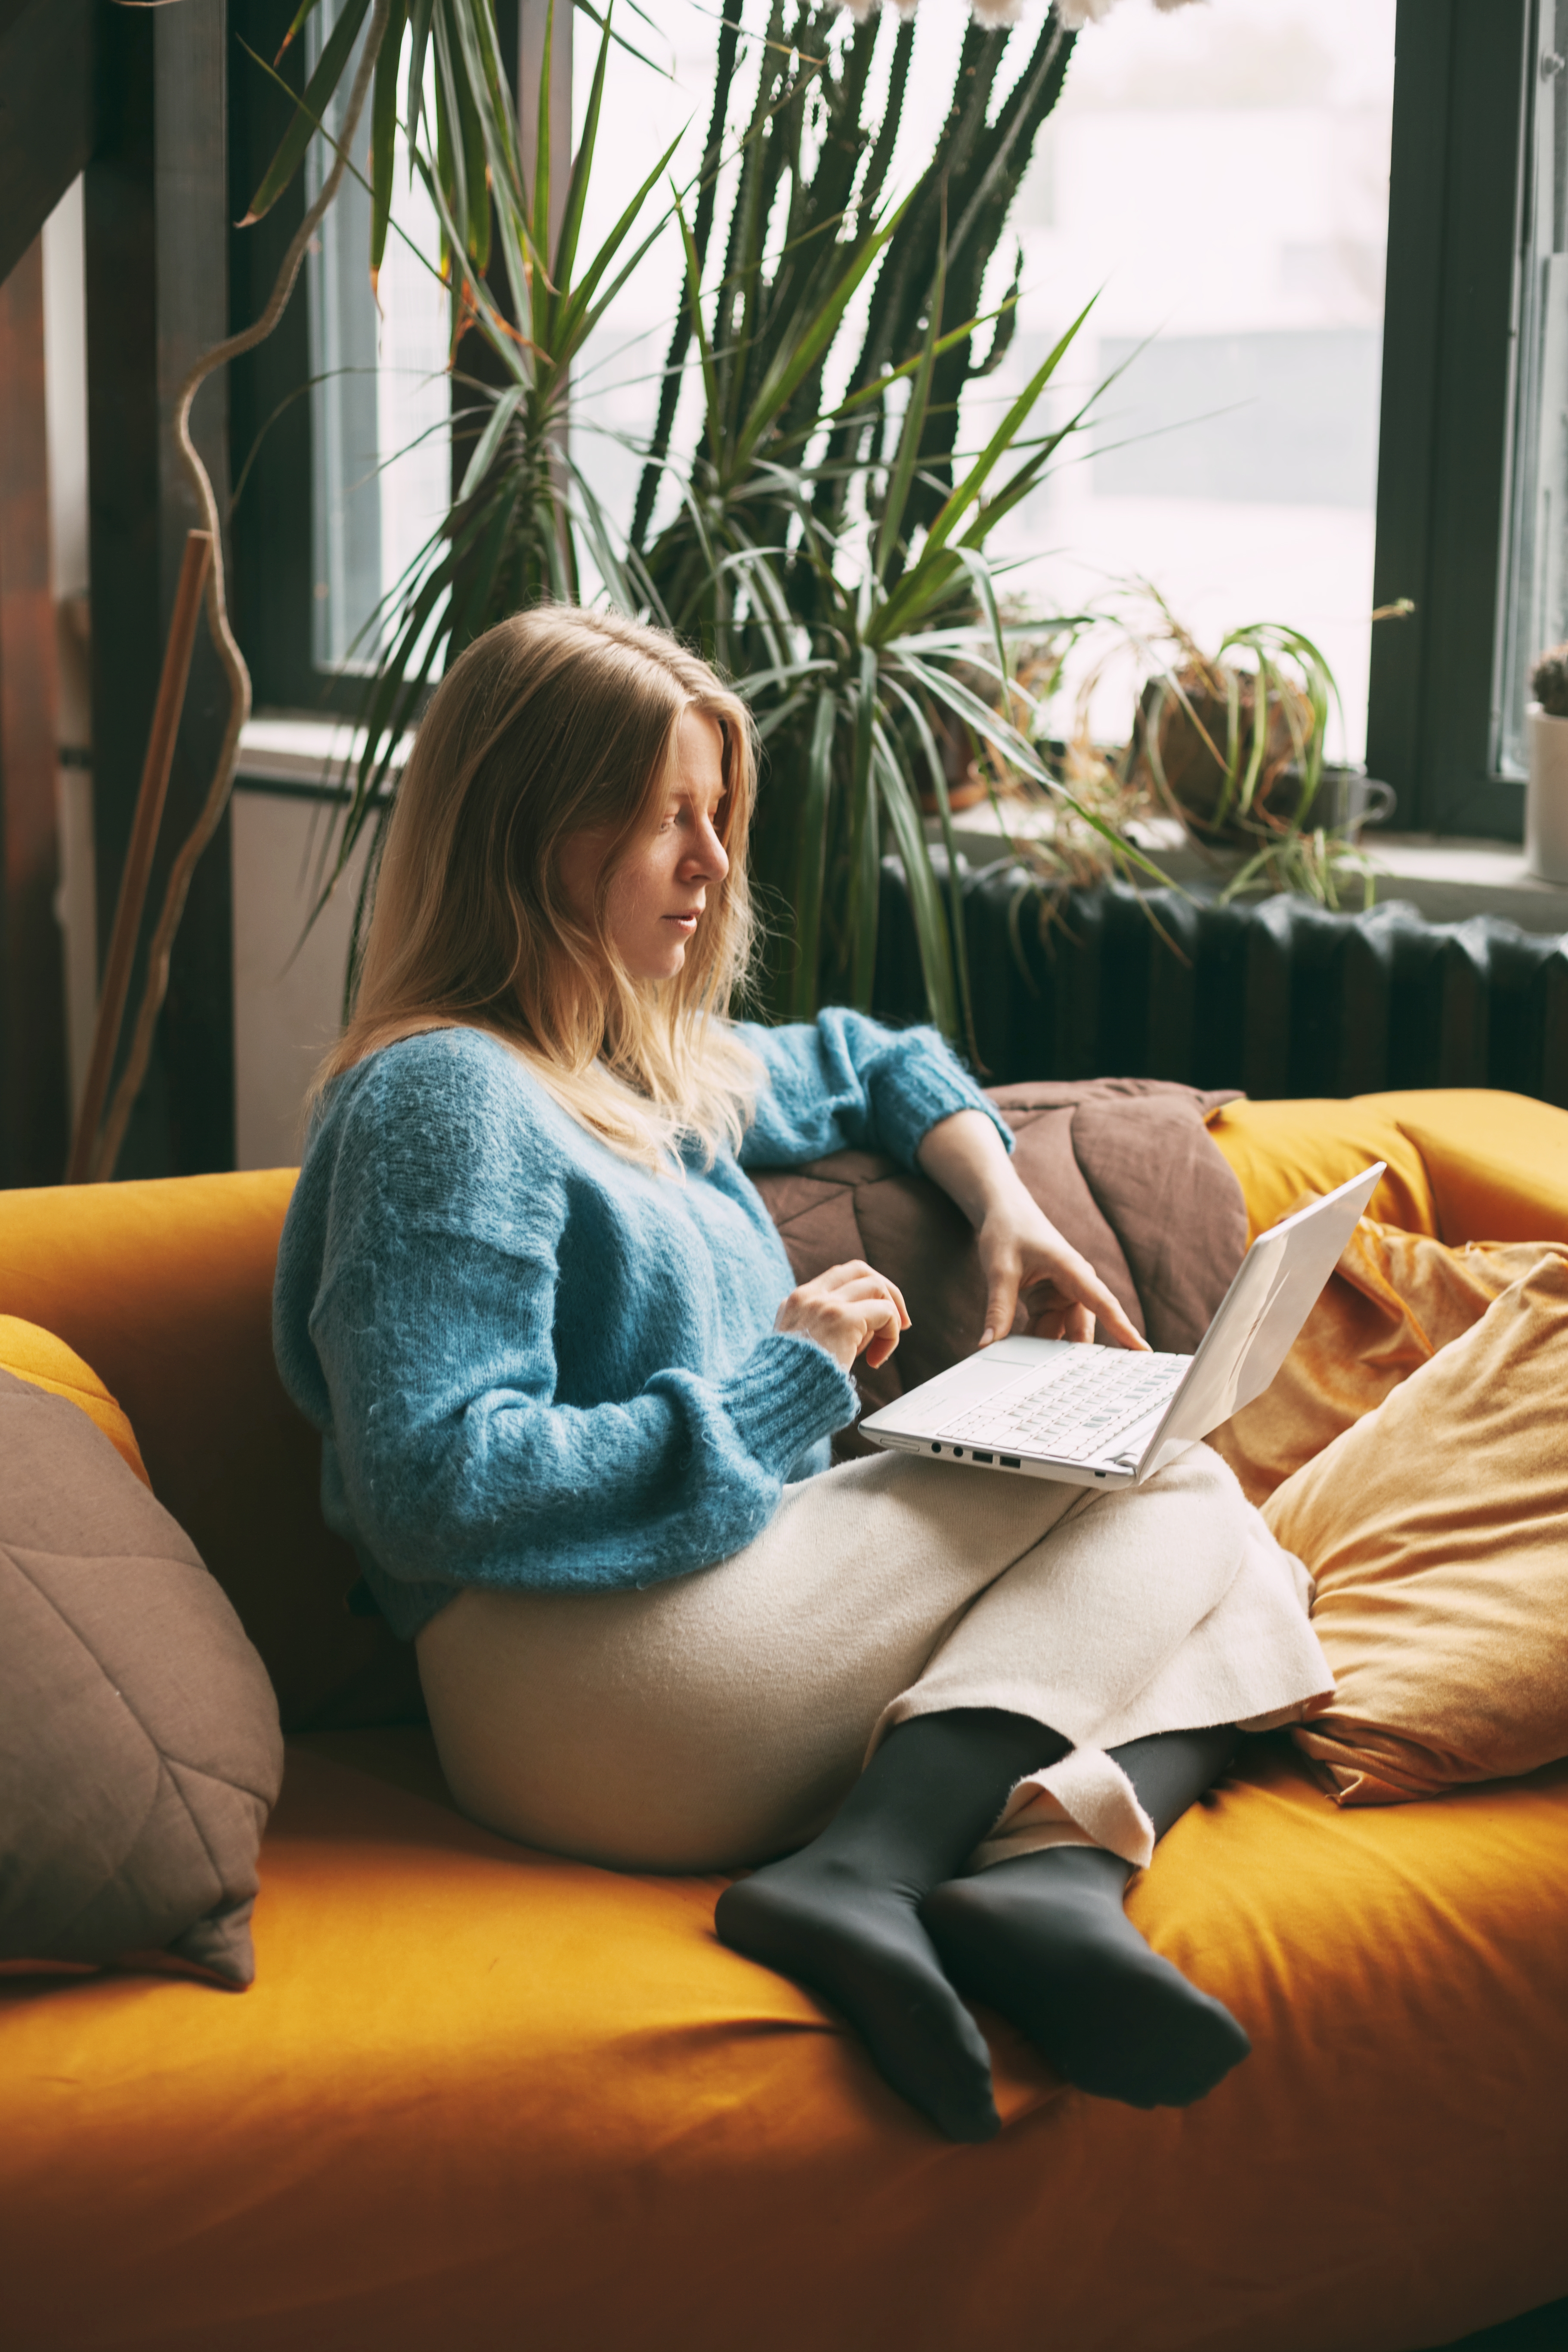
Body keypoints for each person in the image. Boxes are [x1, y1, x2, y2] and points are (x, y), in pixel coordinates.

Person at [274, 607, 1333, 2143]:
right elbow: (432, 1487)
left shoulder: (641, 1068)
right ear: (531, 838)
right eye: (666, 822)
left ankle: (1045, 1872)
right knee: (1178, 1479)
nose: (712, 864)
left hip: (698, 1623)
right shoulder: (448, 1099)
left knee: (1226, 1548)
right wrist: (789, 1383)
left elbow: (874, 1055)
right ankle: (888, 1867)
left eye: (720, 816)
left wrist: (1008, 1206)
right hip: (566, 1680)